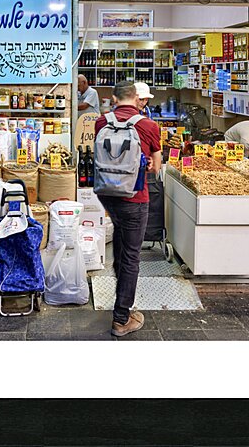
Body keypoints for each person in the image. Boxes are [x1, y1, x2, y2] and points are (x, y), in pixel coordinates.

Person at [94, 80, 162, 337]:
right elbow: (156, 166)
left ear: (113, 98)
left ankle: (123, 303)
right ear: (136, 98)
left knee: (121, 249)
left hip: (107, 195)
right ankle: (122, 318)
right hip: (134, 198)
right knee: (132, 256)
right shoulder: (148, 125)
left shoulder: (101, 122)